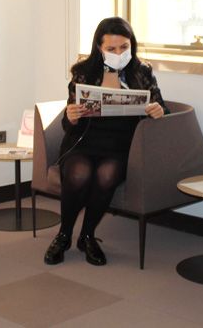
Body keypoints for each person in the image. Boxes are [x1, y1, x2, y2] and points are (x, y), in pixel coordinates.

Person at [43, 17, 167, 266]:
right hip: (84, 141)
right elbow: (68, 123)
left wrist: (158, 110)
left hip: (120, 145)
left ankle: (87, 236)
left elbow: (160, 106)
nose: (119, 53)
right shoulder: (83, 71)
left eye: (124, 47)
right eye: (111, 48)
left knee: (106, 174)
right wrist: (71, 115)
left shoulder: (141, 71)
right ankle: (64, 235)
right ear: (99, 47)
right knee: (79, 172)